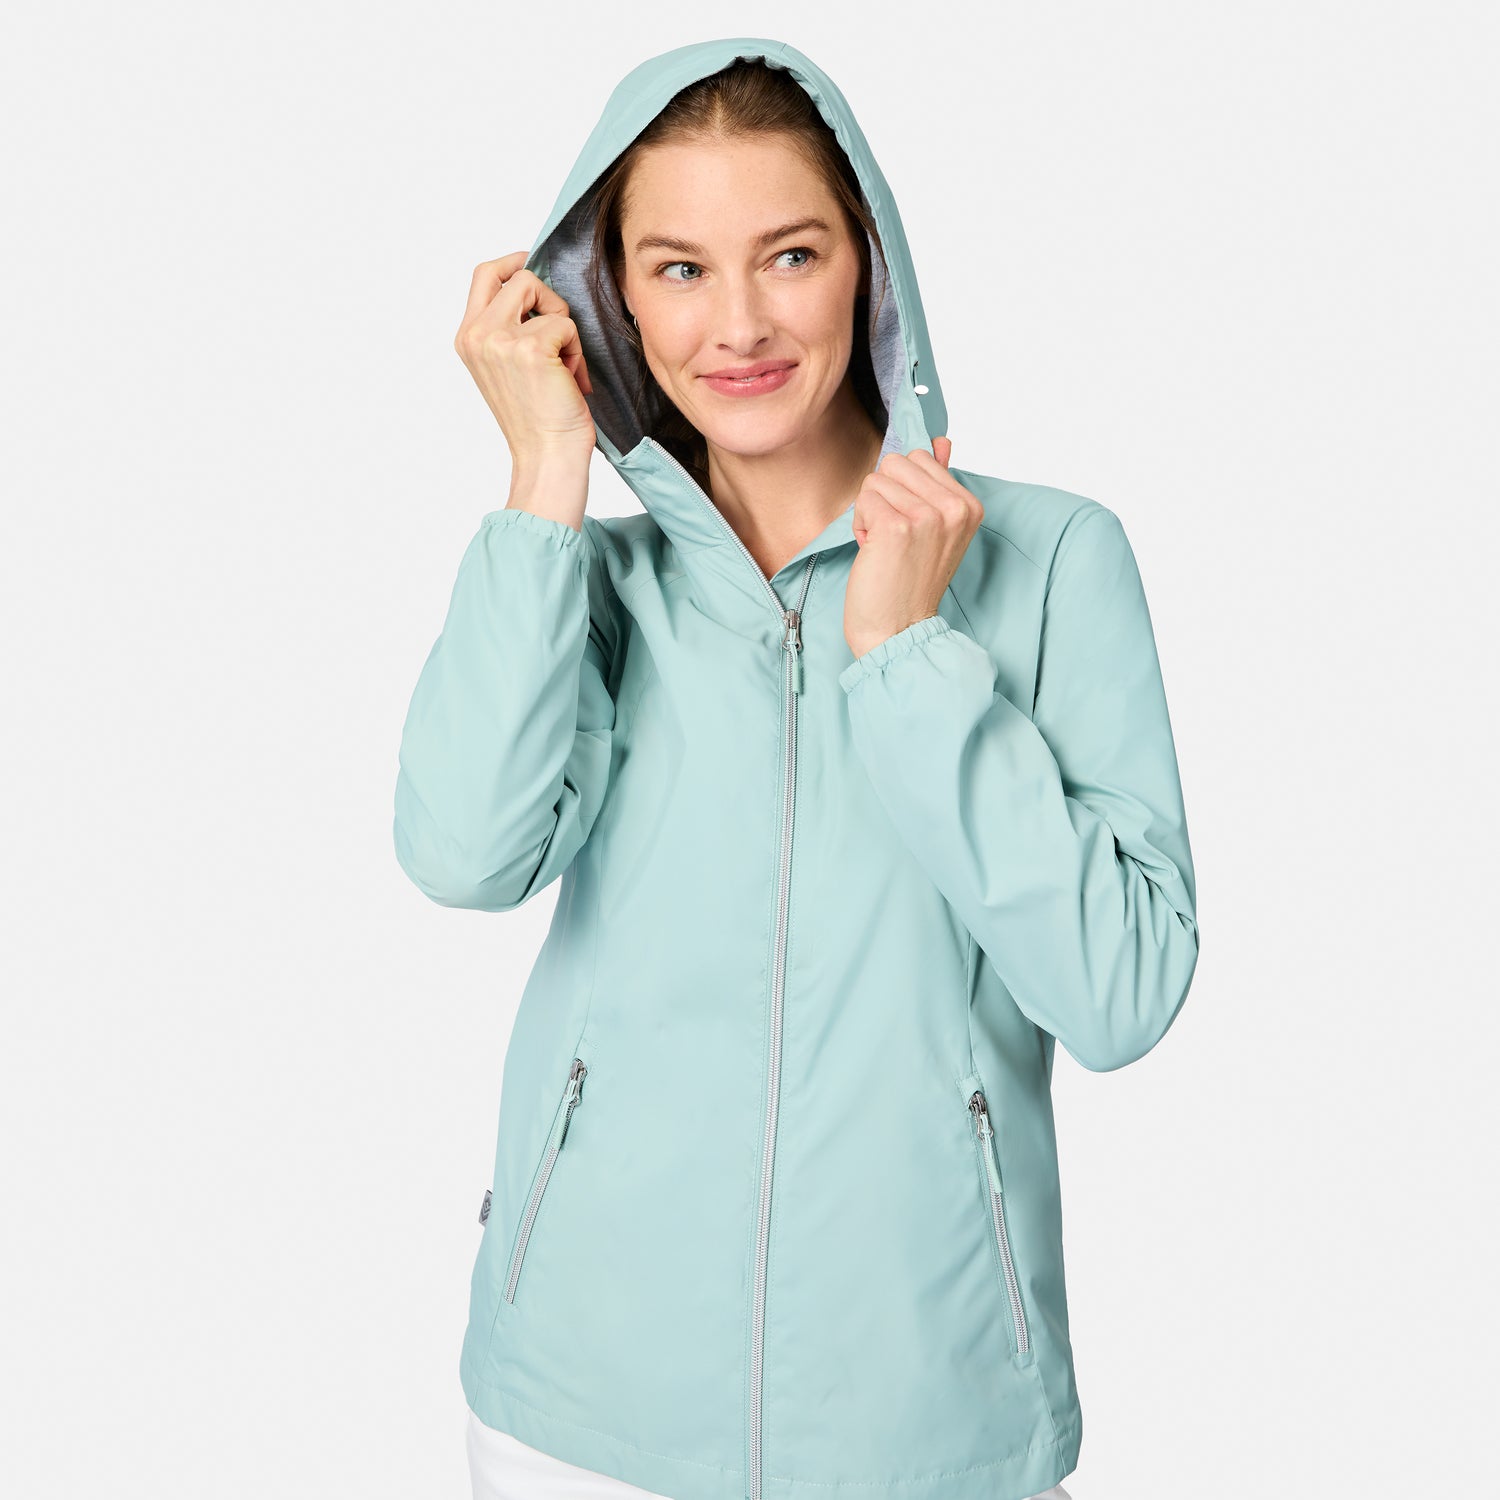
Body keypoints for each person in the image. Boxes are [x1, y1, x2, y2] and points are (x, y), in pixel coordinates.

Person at [394, 36, 1199, 1500]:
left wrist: (906, 660)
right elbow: (463, 854)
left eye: (790, 254)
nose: (741, 324)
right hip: (579, 1416)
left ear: (868, 268)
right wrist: (544, 480)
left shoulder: (1051, 562)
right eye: (679, 269)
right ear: (612, 298)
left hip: (928, 1423)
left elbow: (1123, 990)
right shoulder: (586, 580)